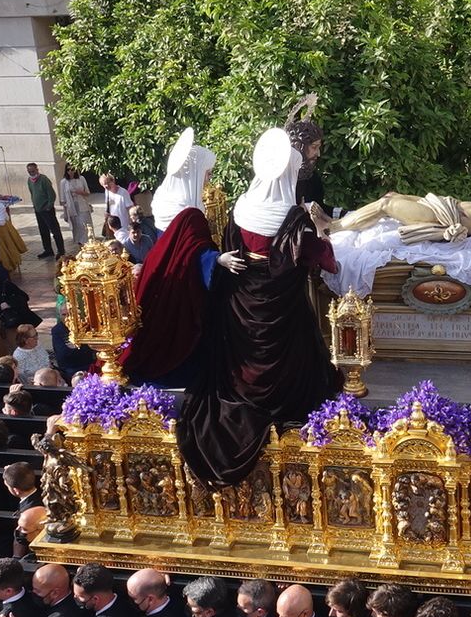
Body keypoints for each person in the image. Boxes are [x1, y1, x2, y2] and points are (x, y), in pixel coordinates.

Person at [178, 127, 342, 486]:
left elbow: (230, 245)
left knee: (244, 354)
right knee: (289, 353)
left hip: (242, 298)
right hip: (279, 305)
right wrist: (322, 232)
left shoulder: (242, 205)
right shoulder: (292, 216)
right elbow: (321, 258)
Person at [120, 128, 220, 388]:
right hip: (183, 283)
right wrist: (218, 261)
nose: (208, 180)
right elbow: (193, 250)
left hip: (161, 272)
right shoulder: (190, 213)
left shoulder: (165, 196)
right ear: (195, 172)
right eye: (207, 173)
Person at [0, 262, 38, 359]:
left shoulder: (6, 284)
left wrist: (9, 303)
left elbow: (24, 297)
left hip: (9, 321)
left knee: (15, 348)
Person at [27, 163, 65, 260]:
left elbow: (51, 194)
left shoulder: (43, 179)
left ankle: (61, 251)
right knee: (43, 231)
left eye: (33, 171)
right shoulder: (29, 181)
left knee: (55, 230)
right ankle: (48, 250)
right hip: (38, 210)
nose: (31, 173)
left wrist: (49, 206)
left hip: (46, 209)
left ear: (37, 170)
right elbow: (32, 193)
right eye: (29, 172)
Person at [59, 165, 93, 250]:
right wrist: (65, 213)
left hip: (82, 205)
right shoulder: (63, 182)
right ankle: (81, 246)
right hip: (71, 207)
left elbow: (88, 193)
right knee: (77, 227)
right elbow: (62, 200)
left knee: (85, 225)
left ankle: (88, 244)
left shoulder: (81, 179)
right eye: (68, 170)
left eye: (72, 169)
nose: (71, 171)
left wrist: (81, 192)